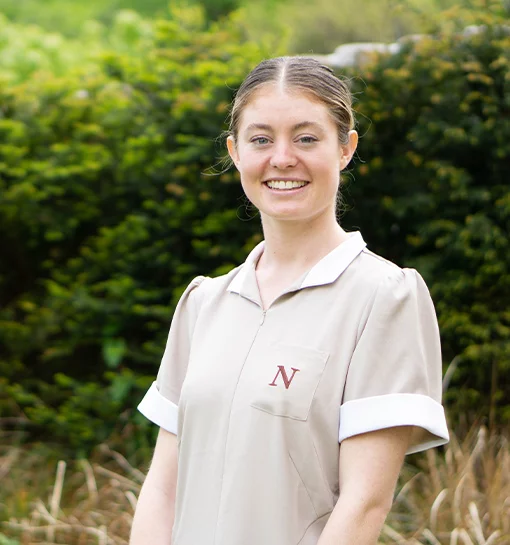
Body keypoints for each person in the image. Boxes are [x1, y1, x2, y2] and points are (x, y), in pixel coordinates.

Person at [129, 56, 449, 545]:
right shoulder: (203, 304)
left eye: (306, 138)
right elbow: (162, 490)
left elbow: (364, 503)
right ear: (235, 152)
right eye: (261, 139)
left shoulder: (385, 297)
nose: (282, 158)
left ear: (345, 148)